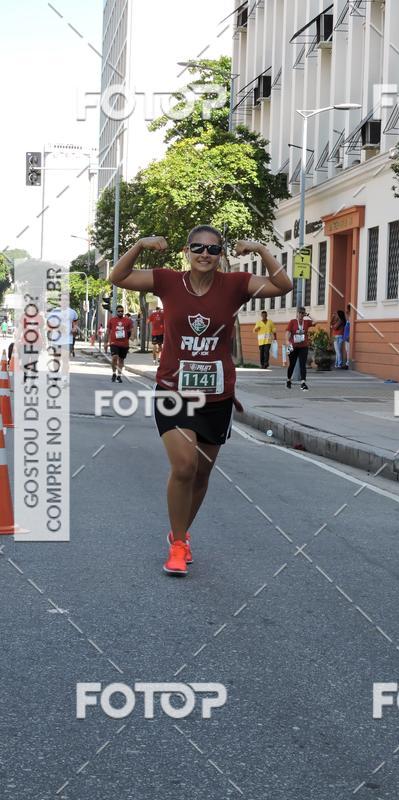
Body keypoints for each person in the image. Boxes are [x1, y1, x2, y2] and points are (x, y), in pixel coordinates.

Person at [108, 226, 292, 576]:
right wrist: (140, 244)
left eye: (212, 249)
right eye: (197, 247)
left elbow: (283, 286)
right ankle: (177, 545)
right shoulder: (167, 281)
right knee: (185, 465)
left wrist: (261, 249)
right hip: (174, 391)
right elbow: (119, 277)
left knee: (203, 473)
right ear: (186, 251)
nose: (204, 254)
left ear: (221, 254)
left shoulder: (236, 284)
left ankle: (180, 533)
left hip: (217, 395)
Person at [286, 306, 313, 391]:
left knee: (302, 365)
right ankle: (288, 380)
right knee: (292, 365)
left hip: (303, 346)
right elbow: (287, 332)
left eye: (303, 313)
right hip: (293, 346)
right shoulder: (292, 322)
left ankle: (303, 382)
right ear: (297, 314)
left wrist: (308, 315)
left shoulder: (306, 322)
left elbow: (316, 322)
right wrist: (287, 341)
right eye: (300, 313)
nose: (301, 314)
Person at [104, 305, 133, 382]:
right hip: (114, 342)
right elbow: (107, 332)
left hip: (124, 344)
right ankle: (114, 373)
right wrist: (105, 342)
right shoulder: (112, 320)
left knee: (121, 360)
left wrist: (132, 337)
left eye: (122, 311)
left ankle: (119, 375)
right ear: (116, 312)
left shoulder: (128, 321)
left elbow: (131, 330)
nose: (120, 312)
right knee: (114, 357)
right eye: (119, 311)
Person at [343, 303, 351, 369]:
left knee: (348, 351)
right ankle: (347, 363)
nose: (346, 311)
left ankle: (348, 363)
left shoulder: (351, 319)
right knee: (347, 350)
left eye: (347, 310)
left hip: (348, 337)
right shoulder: (348, 318)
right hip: (346, 337)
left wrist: (349, 336)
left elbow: (350, 328)